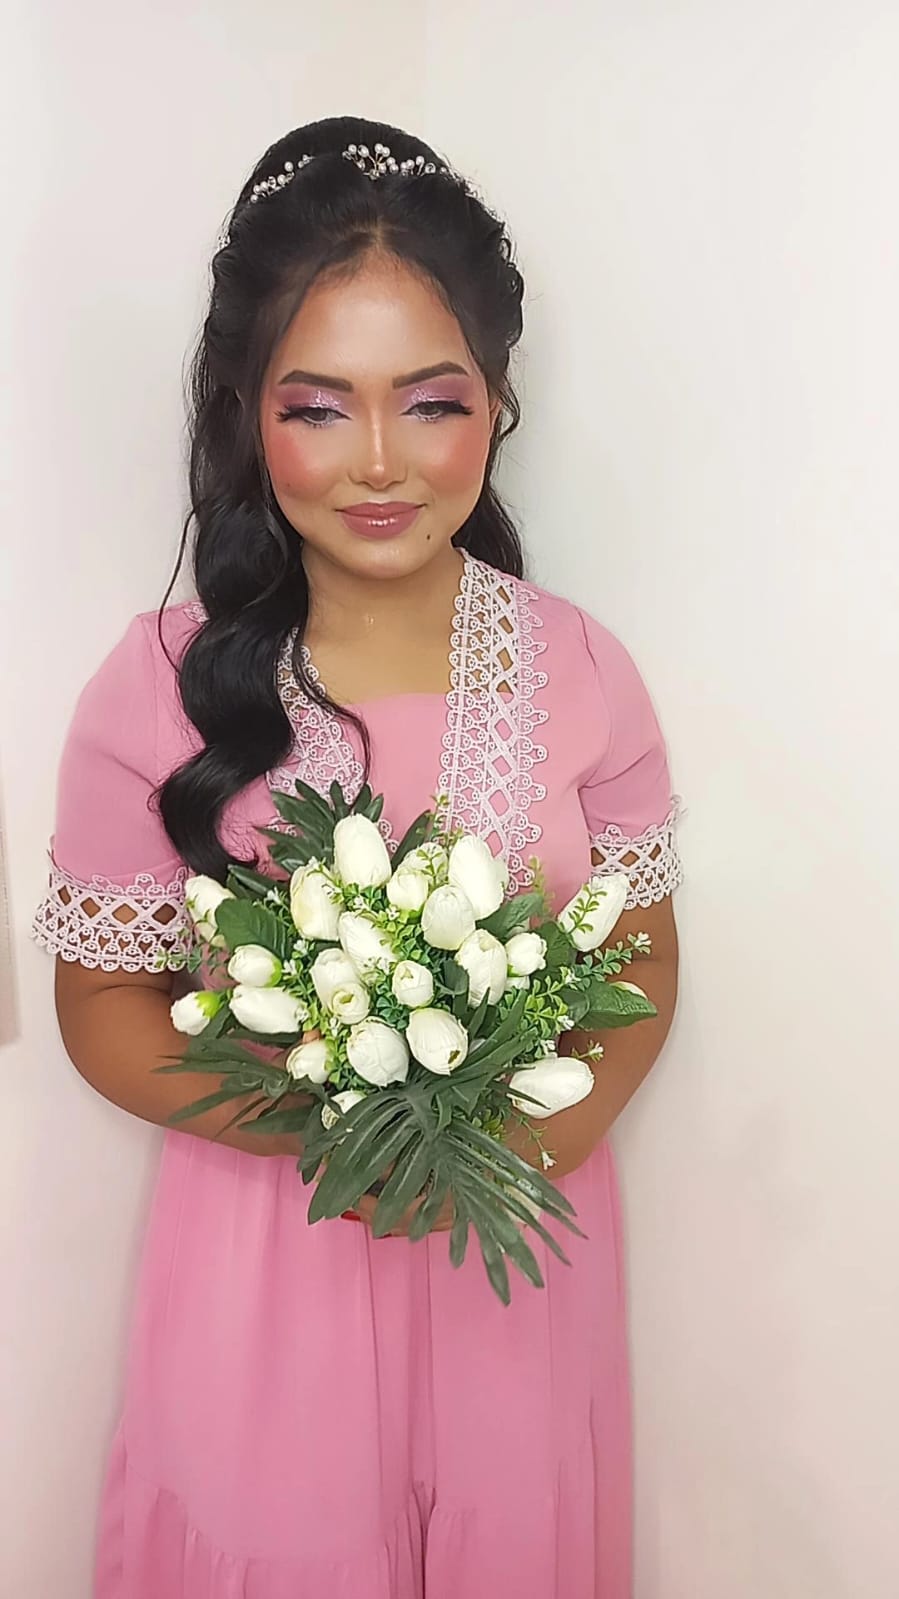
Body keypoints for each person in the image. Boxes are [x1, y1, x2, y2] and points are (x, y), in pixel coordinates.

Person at [33, 115, 682, 1598]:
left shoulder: (583, 667)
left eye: (432, 402)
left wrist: (534, 1143)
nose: (379, 464)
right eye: (318, 408)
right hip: (270, 1263)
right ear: (245, 413)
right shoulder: (159, 682)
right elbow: (101, 1004)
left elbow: (643, 955)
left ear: (498, 405)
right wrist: (343, 1135)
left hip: (518, 1263)